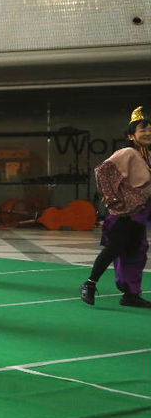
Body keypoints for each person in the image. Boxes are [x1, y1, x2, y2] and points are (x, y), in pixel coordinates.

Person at [80, 107, 151, 309]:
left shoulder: (146, 155)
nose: (148, 133)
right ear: (131, 135)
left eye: (150, 130)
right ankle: (89, 284)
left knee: (135, 252)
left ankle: (131, 294)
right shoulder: (127, 153)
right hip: (124, 213)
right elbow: (102, 171)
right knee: (115, 248)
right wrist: (113, 199)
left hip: (139, 213)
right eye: (142, 130)